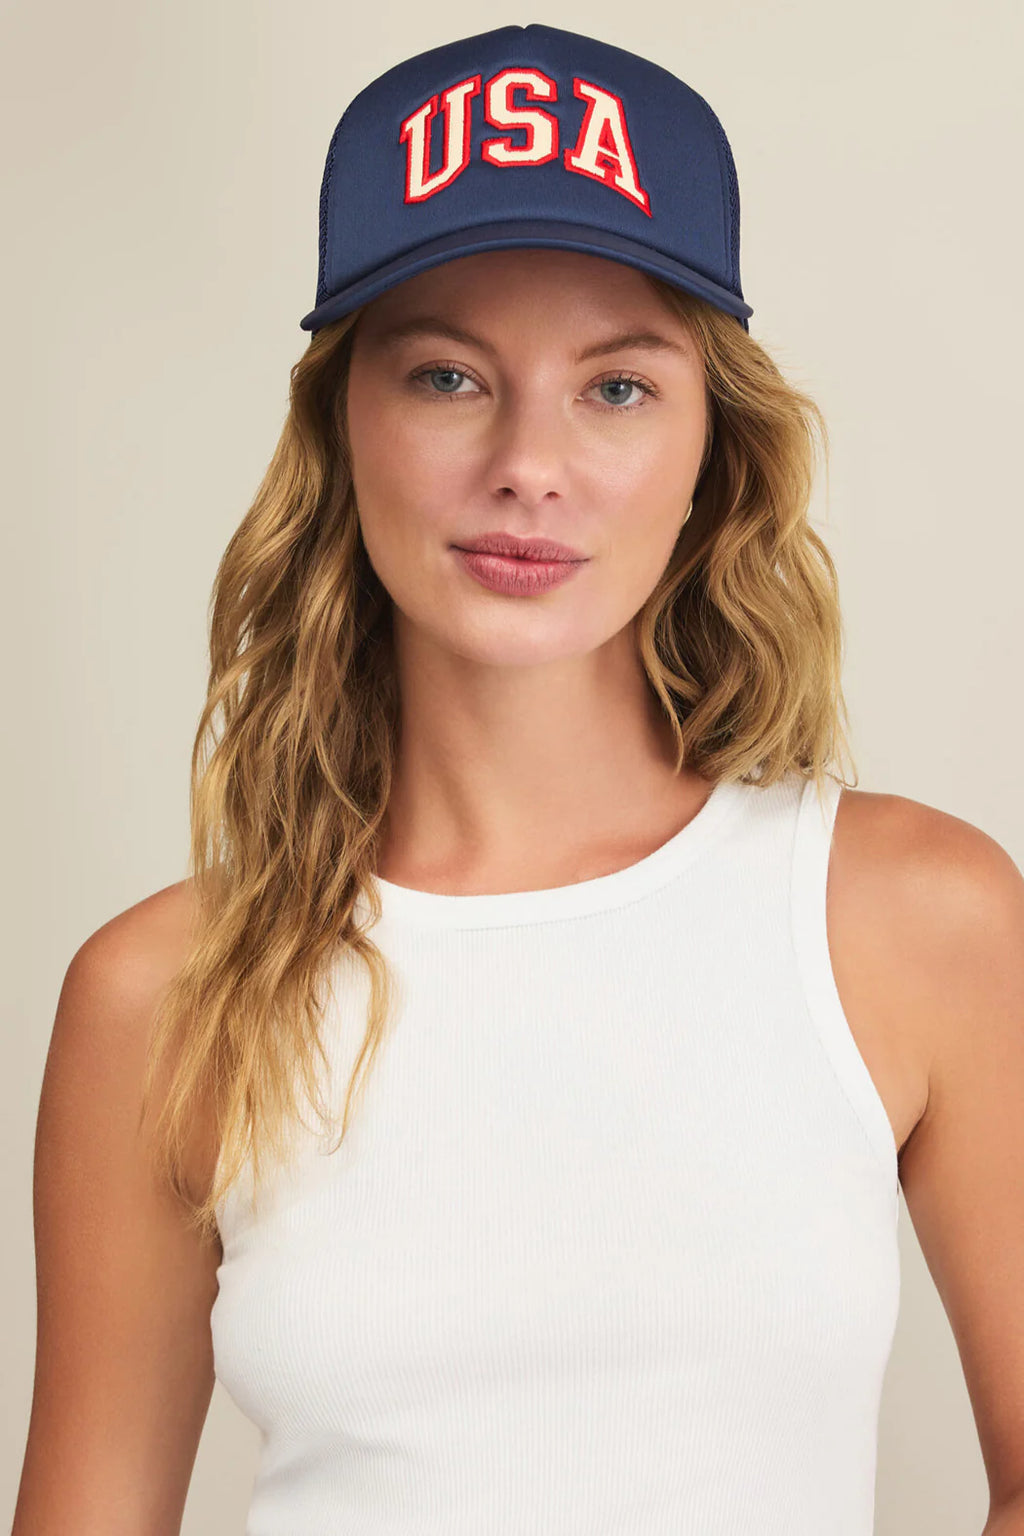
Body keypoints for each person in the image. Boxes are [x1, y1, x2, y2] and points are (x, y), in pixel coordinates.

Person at [14, 22, 1024, 1536]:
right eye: (447, 376)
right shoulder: (165, 996)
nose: (528, 464)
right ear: (342, 425)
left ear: (712, 444)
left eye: (616, 388)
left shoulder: (910, 919)